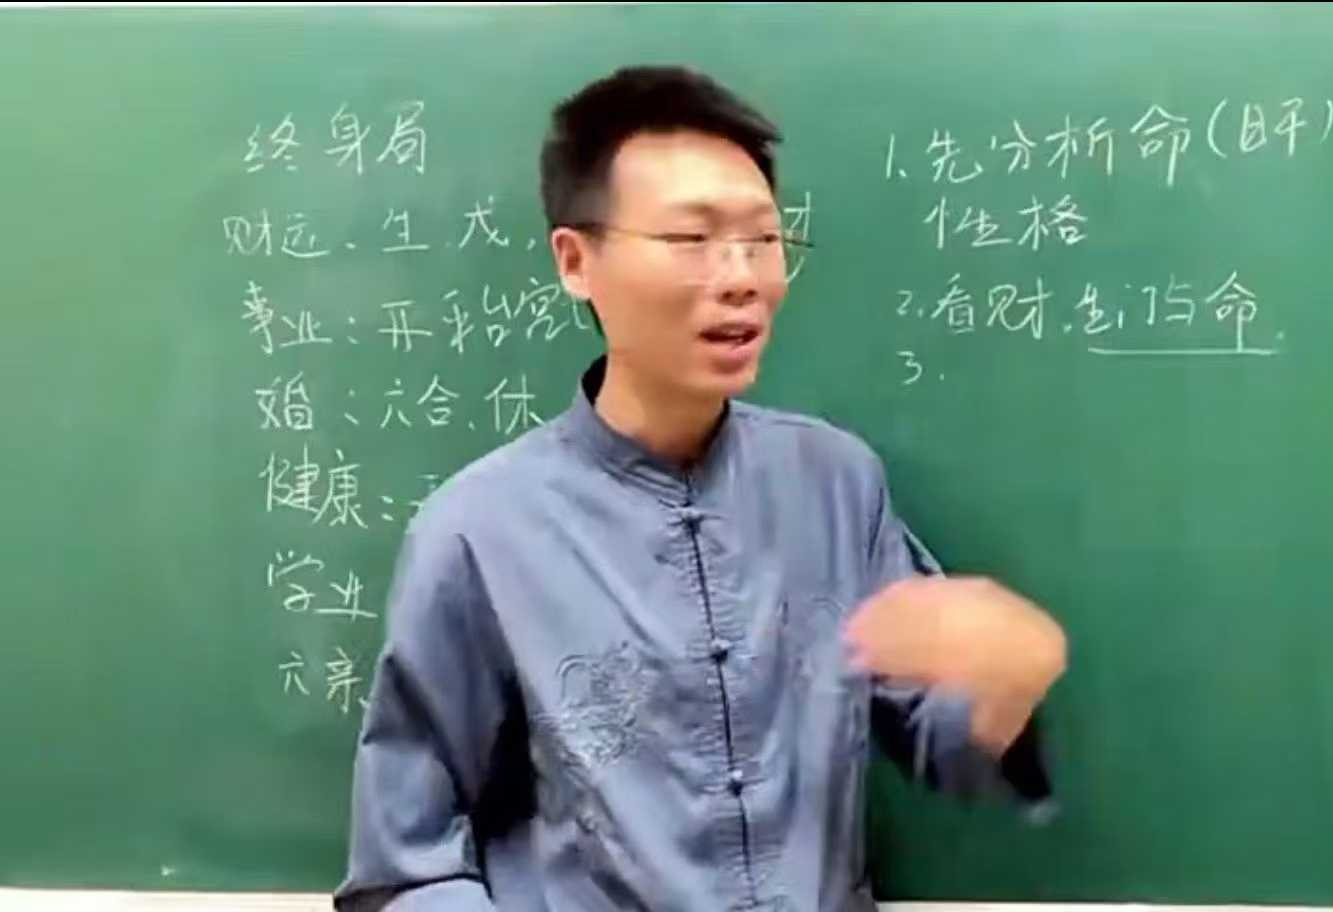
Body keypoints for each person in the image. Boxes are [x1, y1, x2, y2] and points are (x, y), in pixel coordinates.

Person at [333, 64, 1068, 912]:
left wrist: (1001, 683)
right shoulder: (479, 531)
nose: (742, 277)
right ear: (576, 261)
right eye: (692, 239)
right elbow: (406, 868)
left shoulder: (837, 484)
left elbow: (939, 743)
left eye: (763, 239)